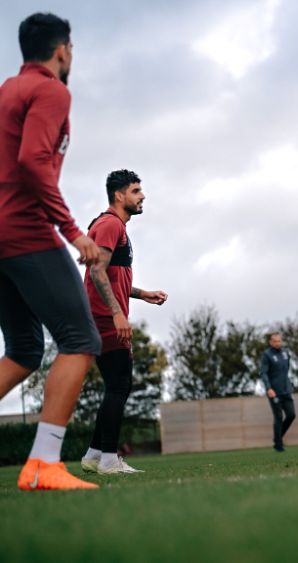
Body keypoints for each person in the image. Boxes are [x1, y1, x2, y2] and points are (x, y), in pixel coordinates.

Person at [0, 13, 103, 491]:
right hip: (24, 231)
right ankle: (43, 465)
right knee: (80, 339)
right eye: (72, 50)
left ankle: (43, 464)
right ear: (62, 50)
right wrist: (73, 231)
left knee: (23, 350)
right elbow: (32, 161)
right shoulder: (52, 91)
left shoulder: (7, 90)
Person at [80, 170, 168, 475]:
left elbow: (111, 275)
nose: (142, 196)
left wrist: (141, 294)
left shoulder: (113, 226)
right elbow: (96, 272)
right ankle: (107, 458)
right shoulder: (109, 224)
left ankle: (94, 455)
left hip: (104, 314)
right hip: (104, 316)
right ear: (119, 195)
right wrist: (117, 313)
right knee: (119, 384)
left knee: (118, 385)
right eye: (136, 190)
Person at [261, 332, 296, 452]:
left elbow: (286, 370)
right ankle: (279, 445)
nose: (277, 343)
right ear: (271, 342)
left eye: (279, 341)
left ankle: (277, 438)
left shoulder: (286, 353)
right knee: (279, 416)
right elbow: (264, 373)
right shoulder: (267, 355)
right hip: (274, 392)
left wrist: (288, 383)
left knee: (291, 415)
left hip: (286, 390)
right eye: (275, 341)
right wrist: (268, 388)